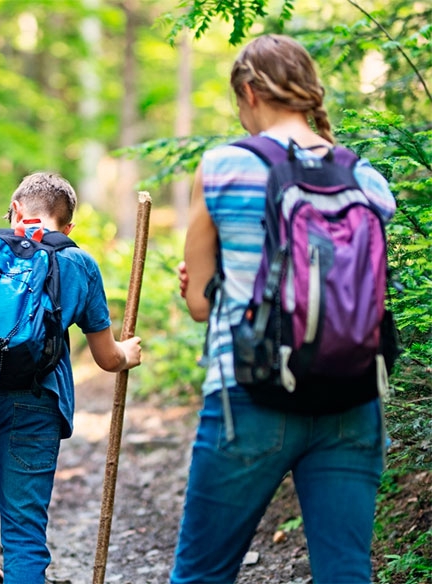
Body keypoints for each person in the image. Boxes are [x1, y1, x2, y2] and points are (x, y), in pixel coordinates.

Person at [172, 34, 396, 583]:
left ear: (249, 91)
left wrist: (205, 282)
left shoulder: (223, 167)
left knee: (201, 575)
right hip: (353, 395)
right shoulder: (366, 179)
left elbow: (201, 305)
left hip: (249, 392)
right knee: (346, 573)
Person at [0, 172, 143, 584]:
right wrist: (127, 355)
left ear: (16, 209)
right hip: (35, 398)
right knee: (24, 521)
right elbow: (105, 357)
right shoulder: (80, 264)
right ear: (69, 225)